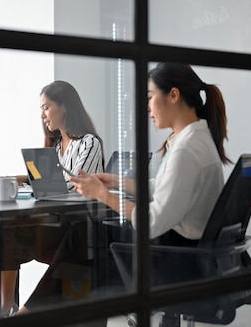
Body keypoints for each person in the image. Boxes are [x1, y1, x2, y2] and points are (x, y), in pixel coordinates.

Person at [17, 62, 231, 314]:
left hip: (174, 262)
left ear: (174, 95)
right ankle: (38, 314)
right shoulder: (195, 140)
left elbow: (151, 222)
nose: (148, 107)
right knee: (84, 243)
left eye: (150, 98)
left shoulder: (187, 149)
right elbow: (164, 189)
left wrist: (102, 194)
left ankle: (30, 314)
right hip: (184, 252)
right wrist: (117, 182)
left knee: (84, 243)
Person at [0, 80, 104, 316]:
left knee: (13, 230)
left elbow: (73, 185)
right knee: (5, 227)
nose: (43, 115)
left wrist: (31, 182)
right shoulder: (56, 147)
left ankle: (22, 313)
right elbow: (51, 186)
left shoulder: (89, 143)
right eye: (41, 110)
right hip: (56, 224)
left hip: (79, 229)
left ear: (64, 106)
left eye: (46, 108)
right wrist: (19, 179)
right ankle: (6, 307)